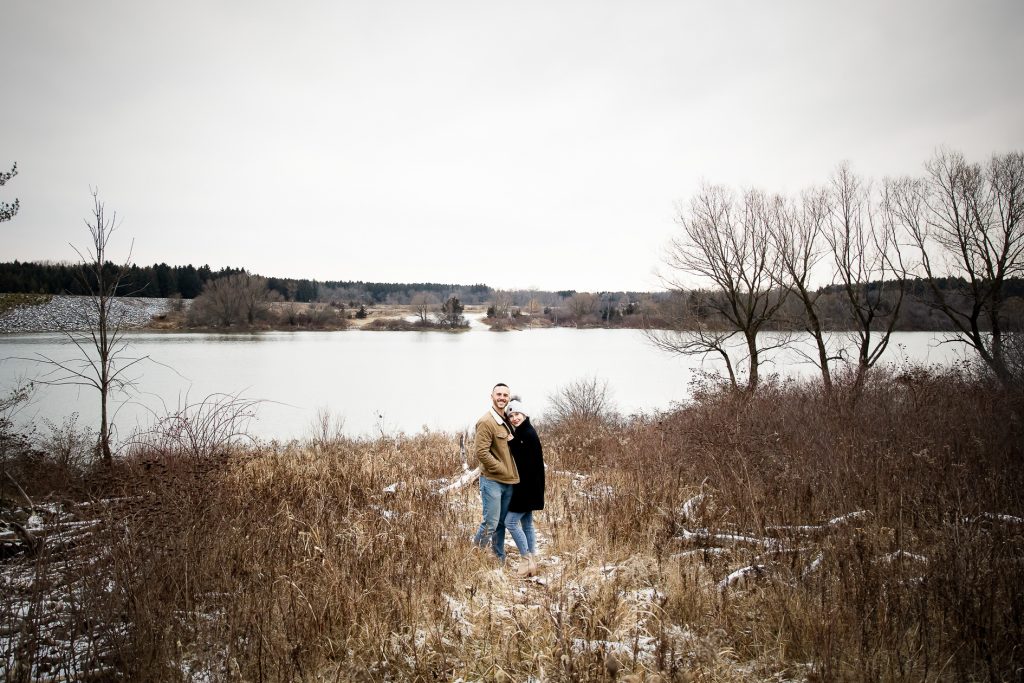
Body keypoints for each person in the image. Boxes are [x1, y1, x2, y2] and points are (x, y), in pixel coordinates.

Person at [472, 382, 519, 561]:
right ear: (492, 397)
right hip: (492, 481)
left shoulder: (508, 420)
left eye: (505, 395)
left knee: (501, 523)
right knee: (490, 523)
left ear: (509, 398)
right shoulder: (486, 422)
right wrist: (501, 468)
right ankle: (475, 557)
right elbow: (481, 452)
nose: (502, 398)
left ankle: (499, 558)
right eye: (498, 394)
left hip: (509, 482)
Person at [504, 397, 545, 577]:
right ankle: (533, 561)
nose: (514, 418)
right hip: (531, 486)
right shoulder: (524, 431)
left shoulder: (527, 433)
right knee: (527, 523)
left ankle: (526, 559)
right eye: (511, 416)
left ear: (524, 414)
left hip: (526, 488)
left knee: (510, 522)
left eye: (517, 414)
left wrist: (512, 443)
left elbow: (526, 462)